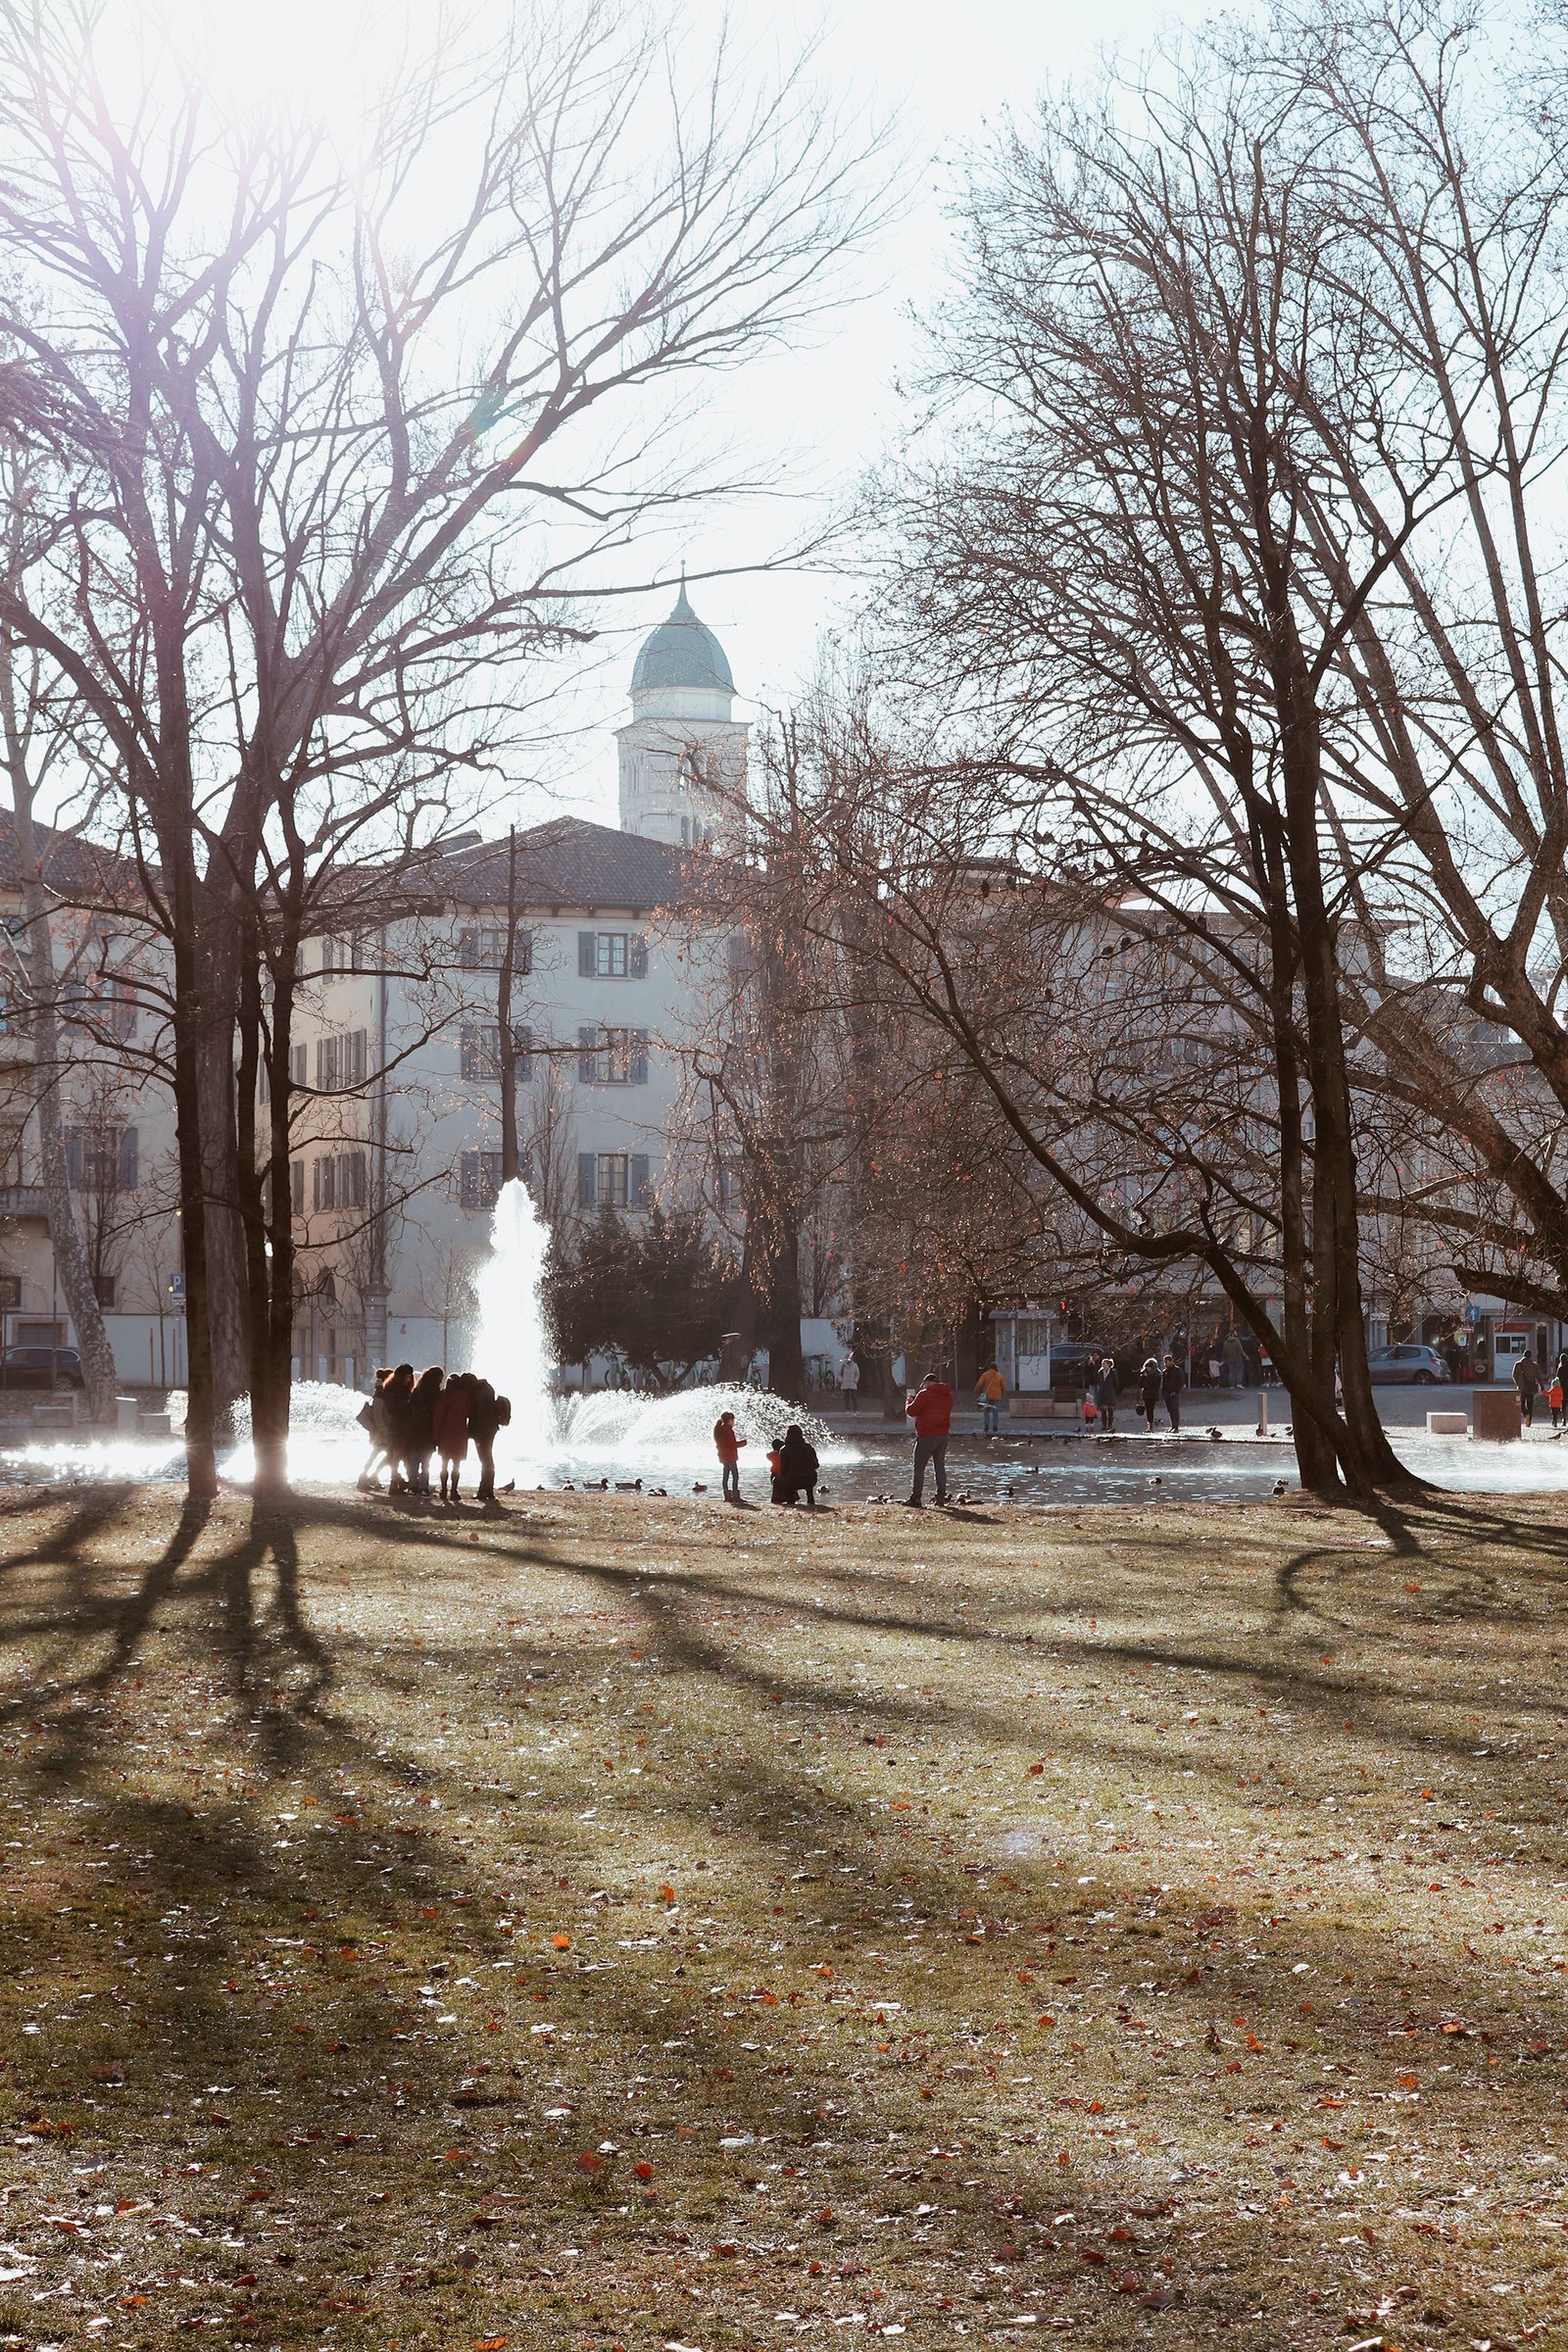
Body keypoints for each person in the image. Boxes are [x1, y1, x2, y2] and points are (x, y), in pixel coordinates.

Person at [905, 1370, 954, 1506]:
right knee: (940, 1467)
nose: (923, 1387)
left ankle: (916, 1498)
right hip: (943, 1436)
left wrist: (909, 1402)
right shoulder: (948, 1395)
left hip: (926, 1436)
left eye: (924, 1384)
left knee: (919, 1468)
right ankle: (941, 1498)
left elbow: (911, 1411)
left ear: (927, 1383)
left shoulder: (924, 1394)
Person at [467, 1379, 512, 1505]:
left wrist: (472, 1431)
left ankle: (484, 1490)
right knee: (487, 1459)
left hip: (483, 1431)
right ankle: (488, 1490)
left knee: (485, 1460)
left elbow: (478, 1414)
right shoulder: (486, 1389)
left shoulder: (479, 1393)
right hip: (490, 1428)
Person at [403, 1365, 443, 1494]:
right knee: (426, 1460)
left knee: (413, 1459)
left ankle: (412, 1485)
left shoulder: (418, 1390)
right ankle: (424, 1486)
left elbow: (410, 1409)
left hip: (414, 1429)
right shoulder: (435, 1392)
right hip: (428, 1429)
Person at [433, 1372, 472, 1502]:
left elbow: (438, 1417)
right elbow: (470, 1413)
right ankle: (454, 1490)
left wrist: (436, 1436)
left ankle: (443, 1490)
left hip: (445, 1433)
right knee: (457, 1465)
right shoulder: (465, 1396)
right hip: (460, 1434)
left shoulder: (443, 1395)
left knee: (444, 1464)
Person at [776, 1423, 819, 1508]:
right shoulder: (808, 1447)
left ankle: (789, 1498)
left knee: (777, 1479)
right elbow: (816, 1465)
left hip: (792, 1480)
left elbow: (783, 1470)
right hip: (810, 1479)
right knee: (807, 1474)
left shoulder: (784, 1449)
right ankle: (810, 1498)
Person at [713, 1409, 747, 1504]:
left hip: (723, 1456)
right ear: (730, 1420)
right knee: (735, 1476)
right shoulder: (728, 1430)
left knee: (726, 1476)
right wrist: (743, 1443)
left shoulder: (719, 1430)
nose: (734, 1422)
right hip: (730, 1456)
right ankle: (735, 1497)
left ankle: (727, 1496)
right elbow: (732, 1444)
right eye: (733, 1420)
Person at [975, 1359, 1006, 1437]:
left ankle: (986, 1426)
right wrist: (1001, 1395)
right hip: (996, 1396)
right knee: (995, 1412)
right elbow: (1004, 1387)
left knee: (986, 1411)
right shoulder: (999, 1376)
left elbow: (979, 1385)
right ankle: (995, 1426)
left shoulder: (985, 1375)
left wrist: (976, 1392)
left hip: (986, 1396)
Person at [1514, 1350, 1542, 1429]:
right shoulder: (1534, 1365)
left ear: (1523, 1355)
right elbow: (1539, 1377)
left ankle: (1526, 1414)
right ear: (1530, 1356)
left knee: (1521, 1404)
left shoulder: (1518, 1365)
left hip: (1521, 1388)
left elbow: (1514, 1375)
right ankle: (1529, 1422)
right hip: (1531, 1388)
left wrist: (1518, 1383)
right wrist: (1542, 1386)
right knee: (1530, 1405)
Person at [1093, 1354, 1118, 1433]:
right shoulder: (1100, 1372)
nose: (1103, 1365)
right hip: (1102, 1392)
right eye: (1103, 1364)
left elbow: (1116, 1382)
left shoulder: (1113, 1372)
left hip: (1110, 1391)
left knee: (1110, 1408)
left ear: (1109, 1365)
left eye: (1105, 1364)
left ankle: (1110, 1425)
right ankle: (1104, 1425)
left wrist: (1114, 1390)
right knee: (1103, 1409)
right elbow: (1097, 1380)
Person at [1160, 1350, 1184, 1432]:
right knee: (1170, 1410)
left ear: (1171, 1361)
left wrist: (1176, 1391)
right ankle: (1172, 1426)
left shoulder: (1177, 1370)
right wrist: (1162, 1392)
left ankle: (1176, 1427)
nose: (1165, 1364)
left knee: (1174, 1409)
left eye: (1167, 1362)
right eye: (1164, 1362)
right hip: (1166, 1393)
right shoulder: (1165, 1372)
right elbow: (1163, 1383)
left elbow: (1181, 1382)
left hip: (1174, 1393)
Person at [1138, 1356, 1161, 1433]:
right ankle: (1149, 1427)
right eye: (1147, 1367)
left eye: (1150, 1367)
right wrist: (1142, 1377)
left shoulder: (1157, 1373)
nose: (1148, 1368)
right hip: (1146, 1394)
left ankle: (1151, 1427)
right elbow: (1140, 1384)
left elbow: (1155, 1383)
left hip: (1153, 1394)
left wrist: (1147, 1377)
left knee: (1150, 1409)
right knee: (1148, 1410)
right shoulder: (1144, 1372)